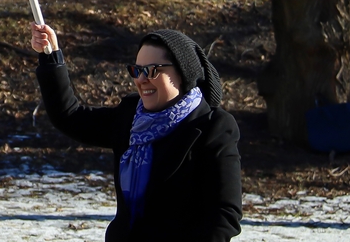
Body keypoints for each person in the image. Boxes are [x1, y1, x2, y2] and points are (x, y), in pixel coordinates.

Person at [31, 22, 242, 241]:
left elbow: (225, 215)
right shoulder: (131, 116)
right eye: (137, 70)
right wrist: (50, 55)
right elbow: (70, 116)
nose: (141, 79)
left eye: (151, 70)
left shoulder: (213, 127)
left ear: (183, 72)